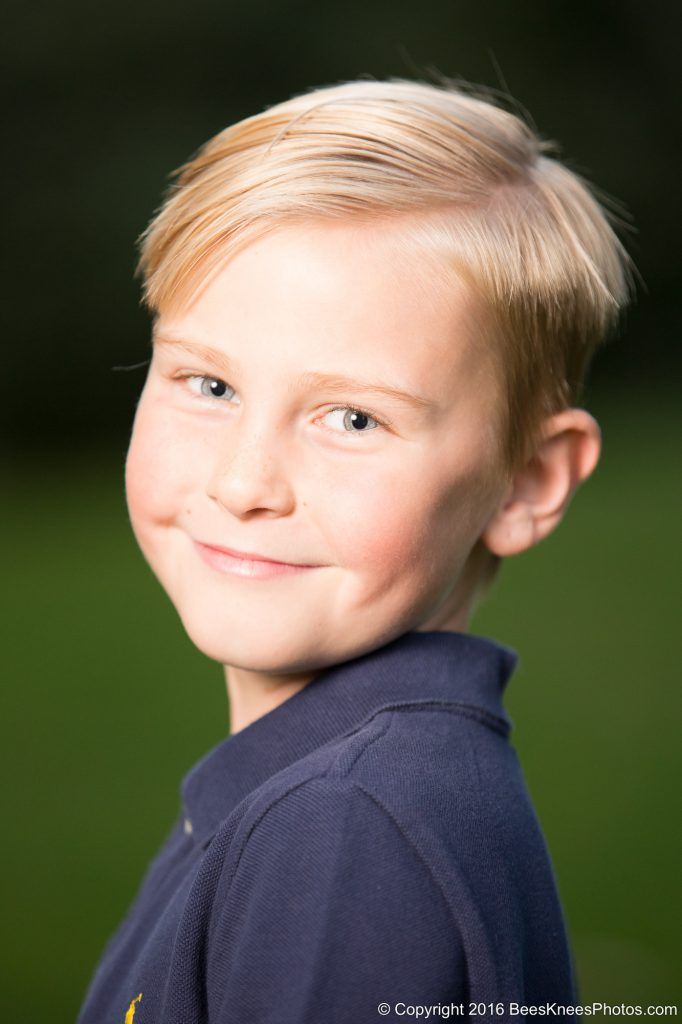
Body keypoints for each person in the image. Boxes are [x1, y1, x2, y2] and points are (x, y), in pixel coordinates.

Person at [76, 76, 635, 1023]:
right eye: (208, 385)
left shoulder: (346, 831)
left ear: (529, 481)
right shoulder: (330, 791)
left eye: (352, 417)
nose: (246, 484)